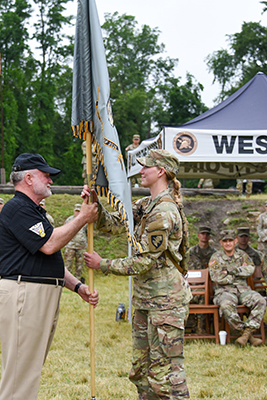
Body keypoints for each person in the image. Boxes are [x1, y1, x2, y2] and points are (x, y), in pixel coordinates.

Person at [84, 149, 191, 399]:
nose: (141, 171)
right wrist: (95, 206)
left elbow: (145, 262)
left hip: (165, 302)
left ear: (161, 171)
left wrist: (104, 264)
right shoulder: (146, 204)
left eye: (146, 167)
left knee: (166, 373)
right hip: (145, 300)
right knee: (141, 371)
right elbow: (115, 224)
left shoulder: (164, 211)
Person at [0, 153, 98, 400]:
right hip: (24, 295)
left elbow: (45, 259)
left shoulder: (32, 210)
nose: (50, 180)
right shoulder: (17, 208)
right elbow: (50, 245)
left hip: (34, 293)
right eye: (46, 175)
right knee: (20, 376)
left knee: (27, 372)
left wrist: (78, 286)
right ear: (28, 178)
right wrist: (82, 217)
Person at [209, 229, 266, 346]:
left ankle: (246, 333)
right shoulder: (216, 257)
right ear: (221, 242)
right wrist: (239, 272)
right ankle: (247, 335)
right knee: (225, 305)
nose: (228, 243)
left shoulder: (243, 255)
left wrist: (230, 271)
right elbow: (216, 277)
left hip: (243, 290)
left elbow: (250, 269)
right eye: (225, 241)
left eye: (230, 240)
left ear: (235, 241)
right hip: (225, 291)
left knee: (260, 300)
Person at [63, 204, 87, 283]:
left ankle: (77, 280)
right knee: (68, 263)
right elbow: (64, 231)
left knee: (79, 265)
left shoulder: (85, 221)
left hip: (81, 246)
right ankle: (66, 281)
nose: (77, 213)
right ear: (74, 211)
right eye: (76, 211)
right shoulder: (69, 220)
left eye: (79, 211)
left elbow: (87, 232)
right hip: (70, 245)